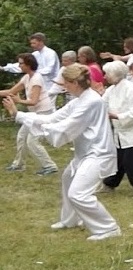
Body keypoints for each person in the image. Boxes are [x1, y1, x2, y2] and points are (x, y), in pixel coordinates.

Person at [3, 63, 121, 241]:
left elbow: (64, 127)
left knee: (78, 194)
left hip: (99, 154)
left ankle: (109, 228)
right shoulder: (80, 100)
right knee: (68, 179)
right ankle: (70, 220)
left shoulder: (91, 101)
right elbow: (52, 118)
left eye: (65, 83)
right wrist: (19, 115)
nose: (63, 87)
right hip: (86, 153)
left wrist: (18, 115)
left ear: (74, 83)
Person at [100, 60, 133, 199]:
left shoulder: (131, 89)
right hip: (120, 132)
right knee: (118, 161)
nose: (104, 77)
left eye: (106, 74)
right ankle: (110, 184)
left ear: (115, 75)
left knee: (132, 163)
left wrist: (117, 116)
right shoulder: (111, 90)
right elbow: (102, 104)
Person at [0, 53, 58, 175]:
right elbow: (11, 91)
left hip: (43, 114)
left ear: (28, 64)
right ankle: (19, 164)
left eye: (21, 63)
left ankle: (50, 166)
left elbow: (33, 101)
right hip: (33, 115)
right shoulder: (26, 77)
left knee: (32, 141)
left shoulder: (37, 79)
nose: (19, 66)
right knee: (21, 137)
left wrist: (18, 101)